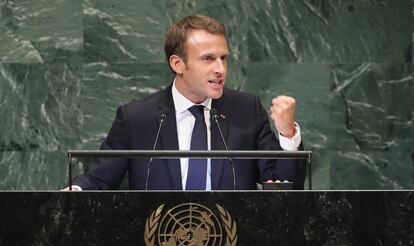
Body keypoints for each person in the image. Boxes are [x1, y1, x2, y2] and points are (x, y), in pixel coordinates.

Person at [65, 15, 306, 191]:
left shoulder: (246, 110)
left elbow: (282, 188)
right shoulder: (138, 118)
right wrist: (73, 193)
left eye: (223, 58)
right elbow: (99, 180)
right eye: (208, 59)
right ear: (177, 64)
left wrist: (287, 135)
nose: (221, 69)